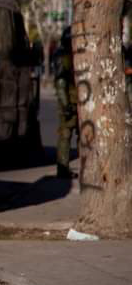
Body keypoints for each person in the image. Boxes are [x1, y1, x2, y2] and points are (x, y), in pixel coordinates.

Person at [54, 27, 78, 179]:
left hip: (76, 100)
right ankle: (62, 169)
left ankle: (63, 169)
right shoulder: (65, 57)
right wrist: (66, 104)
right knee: (66, 133)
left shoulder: (70, 55)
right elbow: (61, 82)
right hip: (71, 101)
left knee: (70, 134)